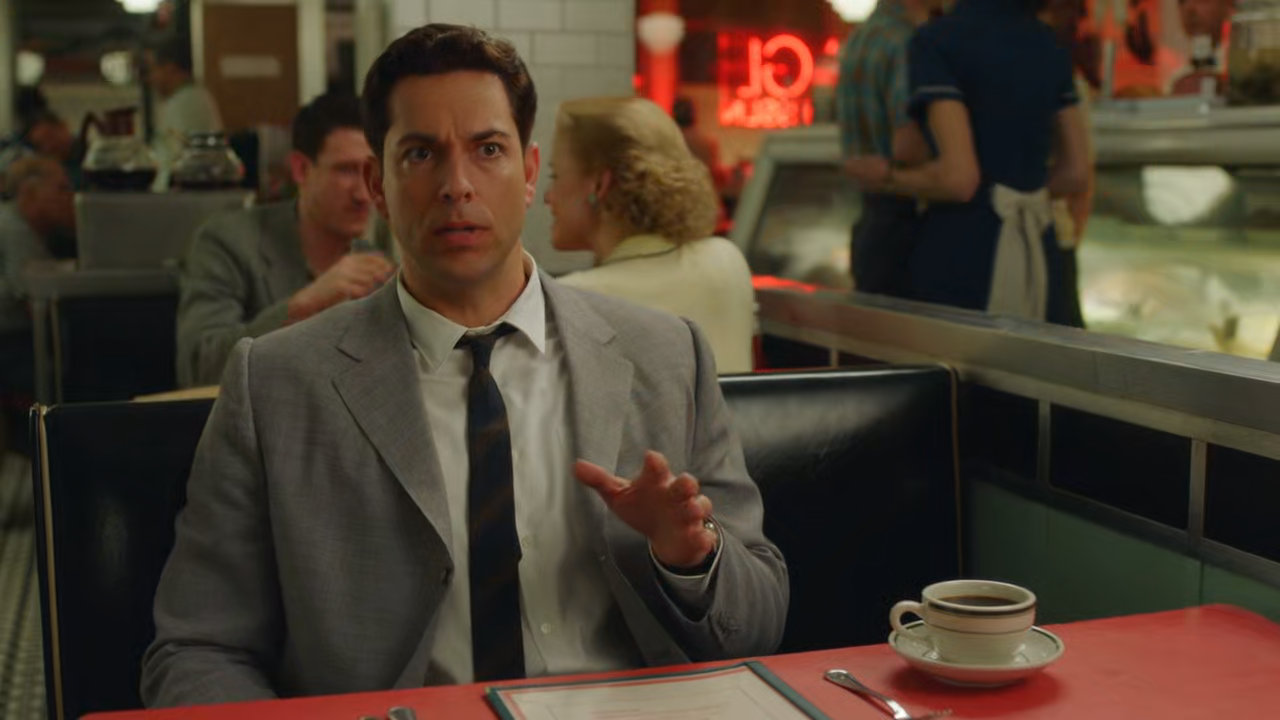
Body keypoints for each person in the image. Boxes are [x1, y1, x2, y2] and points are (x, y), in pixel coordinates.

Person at [142, 23, 787, 707]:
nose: (457, 185)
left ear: (530, 173)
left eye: (488, 150)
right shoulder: (276, 382)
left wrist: (692, 557)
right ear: (378, 184)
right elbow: (197, 649)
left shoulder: (666, 354)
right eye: (421, 153)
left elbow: (759, 623)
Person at [846, 0, 1089, 323]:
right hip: (1040, 251)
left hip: (963, 254)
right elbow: (1076, 173)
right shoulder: (1048, 43)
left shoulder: (938, 41)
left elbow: (958, 179)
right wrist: (1023, 190)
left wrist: (886, 177)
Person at [175, 92, 391, 388]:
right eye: (345, 170)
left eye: (371, 172)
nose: (363, 194)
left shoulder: (375, 267)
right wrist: (304, 306)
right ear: (301, 169)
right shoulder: (228, 242)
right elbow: (200, 367)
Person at [546, 97, 756, 374]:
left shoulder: (569, 304)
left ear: (599, 185)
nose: (548, 197)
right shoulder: (726, 261)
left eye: (555, 176)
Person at [835, 0, 941, 297]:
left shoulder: (859, 38)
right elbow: (907, 146)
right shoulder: (906, 42)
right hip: (907, 217)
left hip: (870, 216)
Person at [0, 157, 74, 450]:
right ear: (30, 193)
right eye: (61, 188)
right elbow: (36, 306)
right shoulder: (17, 231)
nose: (70, 197)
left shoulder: (14, 222)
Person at [148, 40, 224, 189]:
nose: (151, 78)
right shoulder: (195, 96)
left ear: (170, 68)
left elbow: (175, 161)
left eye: (153, 70)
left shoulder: (186, 102)